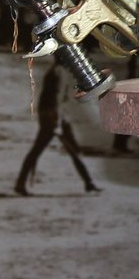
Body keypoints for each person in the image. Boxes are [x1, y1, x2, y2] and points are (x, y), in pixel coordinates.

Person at [14, 61, 100, 196]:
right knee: (39, 150)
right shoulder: (58, 72)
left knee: (72, 149)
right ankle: (20, 184)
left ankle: (89, 183)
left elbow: (56, 98)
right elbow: (54, 98)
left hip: (57, 116)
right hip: (53, 117)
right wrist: (56, 121)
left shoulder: (57, 71)